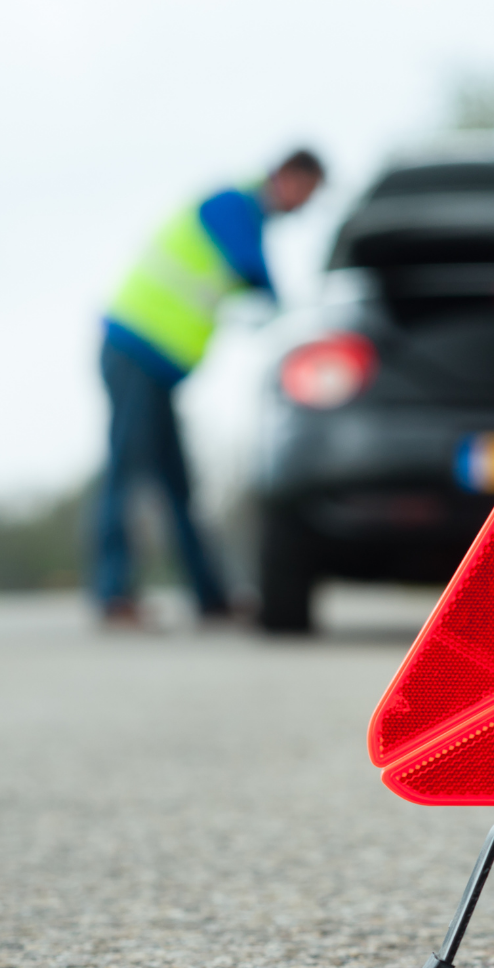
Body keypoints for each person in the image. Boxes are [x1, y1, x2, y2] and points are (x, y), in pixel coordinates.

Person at [92, 149, 325, 627]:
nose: (304, 206)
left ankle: (210, 596)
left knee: (177, 484)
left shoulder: (242, 215)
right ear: (287, 176)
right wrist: (294, 317)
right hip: (133, 349)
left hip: (155, 366)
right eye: (307, 192)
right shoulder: (231, 204)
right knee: (127, 470)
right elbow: (252, 269)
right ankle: (112, 593)